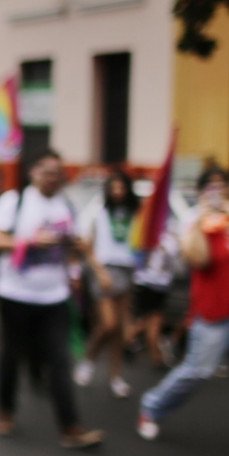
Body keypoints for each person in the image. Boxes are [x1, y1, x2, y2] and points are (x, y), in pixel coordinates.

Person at [138, 167, 229, 456]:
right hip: (215, 314)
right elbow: (197, 259)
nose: (217, 193)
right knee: (198, 372)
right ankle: (152, 407)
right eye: (210, 188)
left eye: (222, 187)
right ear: (202, 193)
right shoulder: (193, 222)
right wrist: (203, 220)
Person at [0, 149, 103, 448]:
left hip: (55, 296)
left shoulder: (68, 206)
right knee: (11, 355)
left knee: (60, 360)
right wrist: (30, 241)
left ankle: (71, 427)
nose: (53, 179)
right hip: (14, 294)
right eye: (47, 172)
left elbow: (78, 248)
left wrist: (74, 250)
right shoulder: (14, 202)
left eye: (57, 174)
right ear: (33, 172)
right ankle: (5, 412)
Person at [76, 168, 139, 397]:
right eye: (113, 187)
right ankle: (89, 359)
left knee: (121, 332)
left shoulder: (135, 213)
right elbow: (87, 245)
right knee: (109, 324)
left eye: (121, 187)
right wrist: (99, 272)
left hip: (126, 269)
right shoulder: (99, 211)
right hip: (104, 269)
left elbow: (140, 242)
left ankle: (116, 376)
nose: (118, 192)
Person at [129, 219, 180, 368]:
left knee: (147, 321)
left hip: (159, 286)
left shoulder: (168, 235)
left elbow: (173, 252)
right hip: (147, 284)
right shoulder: (144, 231)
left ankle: (129, 342)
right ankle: (156, 357)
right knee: (154, 322)